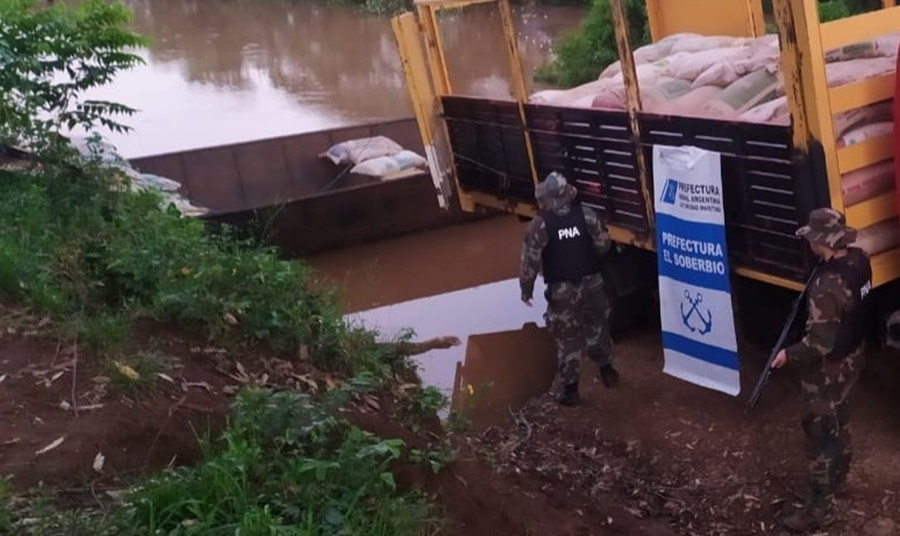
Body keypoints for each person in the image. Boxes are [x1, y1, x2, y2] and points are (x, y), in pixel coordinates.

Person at [770, 207, 872, 533]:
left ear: (821, 241)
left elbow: (818, 345)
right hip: (853, 357)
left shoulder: (826, 285)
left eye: (812, 238)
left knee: (818, 436)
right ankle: (840, 479)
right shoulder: (859, 260)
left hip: (828, 368)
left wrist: (788, 354)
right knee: (840, 419)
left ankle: (819, 508)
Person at [519, 171, 618, 406]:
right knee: (598, 326)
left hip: (562, 291)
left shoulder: (539, 225)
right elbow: (603, 245)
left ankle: (571, 391)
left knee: (568, 339)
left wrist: (526, 290)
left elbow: (529, 263)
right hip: (592, 283)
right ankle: (607, 371)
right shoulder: (587, 215)